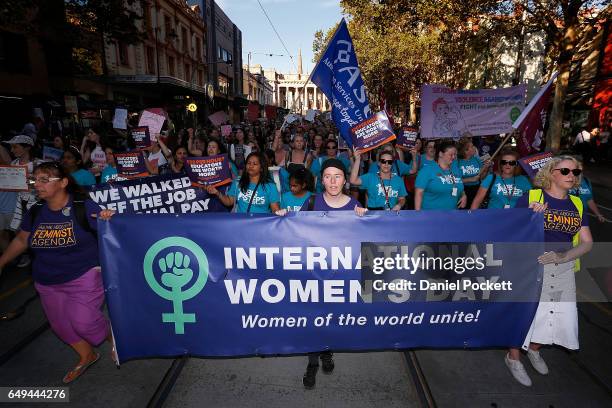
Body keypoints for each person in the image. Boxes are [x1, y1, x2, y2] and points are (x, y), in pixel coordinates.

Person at [0, 162, 115, 383]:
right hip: (46, 280)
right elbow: (23, 238)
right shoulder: (35, 212)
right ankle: (87, 355)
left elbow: (111, 230)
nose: (38, 185)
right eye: (35, 180)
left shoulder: (84, 207)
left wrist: (109, 217)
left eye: (44, 180)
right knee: (61, 326)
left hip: (84, 275)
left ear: (63, 183)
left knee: (84, 322)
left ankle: (113, 338)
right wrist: (2, 261)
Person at [277, 158, 366, 389]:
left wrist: (365, 218)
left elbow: (363, 241)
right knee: (314, 319)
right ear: (321, 179)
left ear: (345, 179)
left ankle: (327, 352)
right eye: (328, 176)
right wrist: (285, 217)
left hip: (340, 278)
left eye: (338, 176)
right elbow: (297, 230)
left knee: (333, 318)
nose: (333, 181)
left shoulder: (353, 205)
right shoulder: (312, 201)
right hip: (314, 275)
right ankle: (313, 362)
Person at [505, 155, 593, 387]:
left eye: (575, 172)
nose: (572, 176)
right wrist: (530, 217)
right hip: (532, 268)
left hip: (563, 268)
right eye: (565, 171)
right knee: (525, 314)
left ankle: (534, 349)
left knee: (552, 315)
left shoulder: (577, 204)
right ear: (551, 172)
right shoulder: (532, 197)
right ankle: (513, 358)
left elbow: (586, 242)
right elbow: (509, 230)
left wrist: (563, 256)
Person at [206, 152, 280, 213]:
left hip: (261, 226)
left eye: (255, 164)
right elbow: (229, 202)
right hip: (241, 225)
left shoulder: (270, 186)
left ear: (261, 168)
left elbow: (275, 210)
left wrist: (280, 213)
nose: (251, 166)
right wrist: (217, 193)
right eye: (248, 163)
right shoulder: (238, 182)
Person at [414, 140, 466, 210]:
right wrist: (418, 215)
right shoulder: (427, 170)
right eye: (451, 154)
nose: (453, 157)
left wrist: (463, 195)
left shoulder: (455, 169)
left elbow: (459, 186)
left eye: (455, 154)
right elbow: (419, 193)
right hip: (431, 216)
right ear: (441, 154)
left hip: (453, 215)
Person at [456, 137, 490, 207]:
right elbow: (455, 180)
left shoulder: (477, 159)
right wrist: (470, 179)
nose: (474, 147)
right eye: (471, 146)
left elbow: (482, 177)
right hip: (463, 191)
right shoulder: (457, 162)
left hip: (477, 189)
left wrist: (486, 168)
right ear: (465, 151)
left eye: (473, 145)